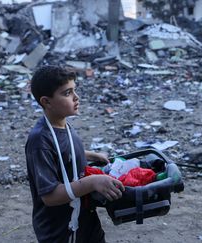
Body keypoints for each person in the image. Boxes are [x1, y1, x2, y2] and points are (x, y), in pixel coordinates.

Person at [25, 66, 125, 243]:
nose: (76, 97)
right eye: (67, 93)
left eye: (75, 90)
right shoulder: (40, 141)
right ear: (47, 102)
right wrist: (93, 182)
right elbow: (50, 196)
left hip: (85, 218)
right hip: (61, 229)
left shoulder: (62, 124)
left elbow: (62, 153)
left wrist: (90, 155)